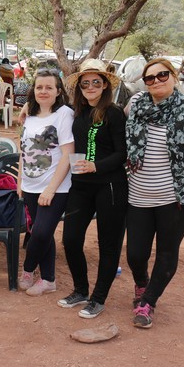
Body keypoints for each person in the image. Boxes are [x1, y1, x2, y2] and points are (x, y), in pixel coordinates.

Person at [125, 58, 184, 328]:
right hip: (138, 194)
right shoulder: (135, 105)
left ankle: (148, 302)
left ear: (174, 76)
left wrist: (178, 166)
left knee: (166, 251)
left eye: (162, 75)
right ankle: (141, 284)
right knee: (136, 254)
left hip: (176, 198)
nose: (156, 81)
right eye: (149, 78)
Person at [58, 59, 127, 319]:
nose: (90, 86)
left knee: (108, 245)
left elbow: (122, 153)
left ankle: (98, 299)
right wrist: (26, 111)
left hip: (110, 186)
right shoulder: (75, 111)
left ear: (105, 84)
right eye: (85, 83)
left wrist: (96, 166)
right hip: (81, 186)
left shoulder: (114, 113)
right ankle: (81, 290)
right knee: (71, 240)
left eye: (96, 82)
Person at [19, 68, 74, 296]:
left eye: (49, 87)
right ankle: (49, 280)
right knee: (42, 232)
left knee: (40, 233)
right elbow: (23, 151)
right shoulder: (29, 116)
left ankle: (28, 269)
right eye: (39, 87)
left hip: (55, 187)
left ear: (58, 91)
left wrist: (51, 189)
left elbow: (68, 154)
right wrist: (19, 182)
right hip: (30, 186)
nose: (43, 91)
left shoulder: (64, 114)